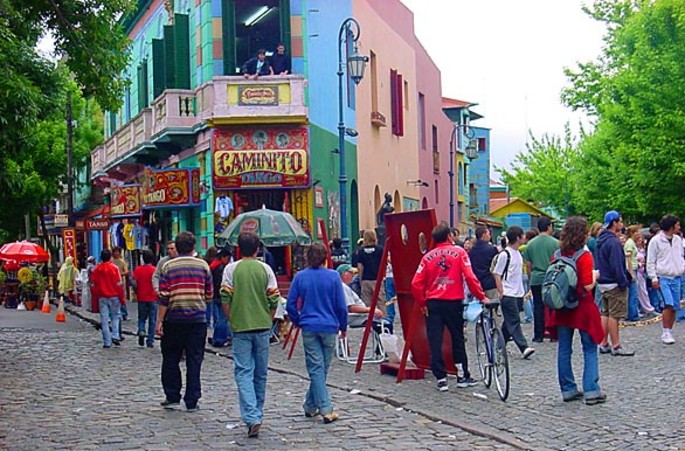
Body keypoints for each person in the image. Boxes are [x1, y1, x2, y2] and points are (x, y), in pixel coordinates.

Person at [411, 223, 488, 391]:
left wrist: (422, 302)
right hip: (453, 301)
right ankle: (462, 375)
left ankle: (441, 378)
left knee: (435, 339)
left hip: (434, 303)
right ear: (448, 236)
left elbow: (416, 283)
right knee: (457, 338)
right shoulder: (459, 253)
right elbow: (470, 276)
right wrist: (481, 296)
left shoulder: (427, 257)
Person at [221, 232, 280, 438]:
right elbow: (274, 298)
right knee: (260, 372)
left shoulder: (231, 269)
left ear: (239, 248)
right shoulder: (265, 269)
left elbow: (225, 297)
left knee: (243, 371)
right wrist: (269, 317)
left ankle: (251, 415)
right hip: (262, 326)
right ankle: (258, 412)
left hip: (240, 326)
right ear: (257, 249)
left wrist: (232, 318)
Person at [287, 243, 347, 424]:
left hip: (309, 326)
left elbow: (290, 304)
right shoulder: (334, 277)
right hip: (329, 326)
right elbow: (340, 306)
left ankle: (310, 405)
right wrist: (343, 326)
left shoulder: (300, 277)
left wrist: (298, 321)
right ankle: (326, 409)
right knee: (322, 368)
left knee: (316, 368)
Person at [548, 217, 606, 405]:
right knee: (589, 348)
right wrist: (596, 275)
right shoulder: (584, 256)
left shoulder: (557, 254)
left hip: (563, 306)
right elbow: (588, 285)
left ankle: (568, 389)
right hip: (582, 306)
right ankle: (591, 390)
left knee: (564, 348)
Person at [155, 231, 213, 412]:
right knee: (194, 360)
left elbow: (164, 296)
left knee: (171, 357)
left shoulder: (168, 267)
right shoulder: (203, 266)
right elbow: (209, 294)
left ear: (177, 248)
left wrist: (159, 321)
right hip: (197, 319)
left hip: (173, 318)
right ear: (193, 247)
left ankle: (172, 395)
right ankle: (192, 399)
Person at [492, 226, 535, 359]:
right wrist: (501, 292)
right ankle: (523, 347)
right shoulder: (505, 255)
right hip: (508, 293)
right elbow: (497, 273)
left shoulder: (518, 254)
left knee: (509, 323)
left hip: (517, 293)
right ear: (517, 237)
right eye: (522, 235)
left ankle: (499, 346)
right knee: (514, 321)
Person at [596, 210, 634, 356]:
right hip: (613, 283)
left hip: (602, 282)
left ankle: (604, 343)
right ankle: (616, 346)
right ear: (614, 223)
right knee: (614, 315)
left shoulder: (601, 240)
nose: (622, 224)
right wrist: (623, 282)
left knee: (605, 313)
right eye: (620, 221)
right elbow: (617, 265)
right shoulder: (613, 242)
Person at [646, 214, 685, 344]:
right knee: (668, 304)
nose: (679, 227)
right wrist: (653, 278)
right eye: (677, 225)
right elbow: (650, 261)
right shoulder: (656, 241)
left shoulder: (678, 240)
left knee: (674, 306)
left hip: (677, 276)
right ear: (671, 226)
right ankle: (665, 331)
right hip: (663, 277)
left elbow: (681, 256)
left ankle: (669, 329)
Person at [524, 217, 559, 343]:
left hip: (536, 279)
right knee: (553, 306)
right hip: (552, 279)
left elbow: (528, 264)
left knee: (538, 307)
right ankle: (554, 334)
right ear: (549, 226)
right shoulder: (556, 243)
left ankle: (538, 335)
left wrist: (530, 277)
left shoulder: (531, 244)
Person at [89, 249, 125, 348]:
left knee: (104, 320)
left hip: (102, 297)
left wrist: (95, 296)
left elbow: (92, 285)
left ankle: (107, 341)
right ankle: (115, 335)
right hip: (114, 296)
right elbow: (119, 284)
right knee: (115, 316)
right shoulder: (114, 268)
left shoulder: (96, 270)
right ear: (110, 257)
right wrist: (122, 298)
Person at [356, 230, 386, 315]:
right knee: (381, 302)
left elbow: (360, 266)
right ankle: (383, 320)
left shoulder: (361, 251)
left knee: (367, 304)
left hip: (366, 279)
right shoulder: (379, 250)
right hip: (378, 279)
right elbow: (384, 263)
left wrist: (361, 279)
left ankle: (369, 320)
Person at [132, 250, 158, 348]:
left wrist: (136, 291)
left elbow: (134, 283)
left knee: (142, 318)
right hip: (153, 297)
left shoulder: (138, 270)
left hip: (141, 297)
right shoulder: (155, 270)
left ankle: (142, 330)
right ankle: (150, 340)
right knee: (152, 320)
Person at [209, 248, 232, 347]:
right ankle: (220, 339)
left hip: (214, 295)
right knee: (223, 318)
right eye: (227, 258)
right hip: (221, 296)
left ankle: (216, 337)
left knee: (218, 318)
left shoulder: (213, 266)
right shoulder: (221, 268)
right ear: (223, 257)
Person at [468, 226, 499, 301]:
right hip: (490, 283)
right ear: (484, 235)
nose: (490, 235)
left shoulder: (471, 250)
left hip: (476, 284)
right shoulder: (492, 249)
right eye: (489, 233)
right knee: (493, 307)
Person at [623, 225, 641, 321]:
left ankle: (632, 313)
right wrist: (631, 273)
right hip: (631, 269)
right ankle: (632, 314)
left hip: (633, 268)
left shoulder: (631, 243)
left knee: (632, 293)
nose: (638, 234)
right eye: (636, 232)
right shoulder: (630, 243)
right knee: (633, 293)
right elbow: (628, 258)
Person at [111, 246, 129, 321]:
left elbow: (126, 271)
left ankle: (124, 314)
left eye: (117, 252)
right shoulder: (111, 261)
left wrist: (120, 274)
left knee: (122, 299)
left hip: (120, 283)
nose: (116, 253)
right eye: (115, 252)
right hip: (112, 283)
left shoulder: (122, 262)